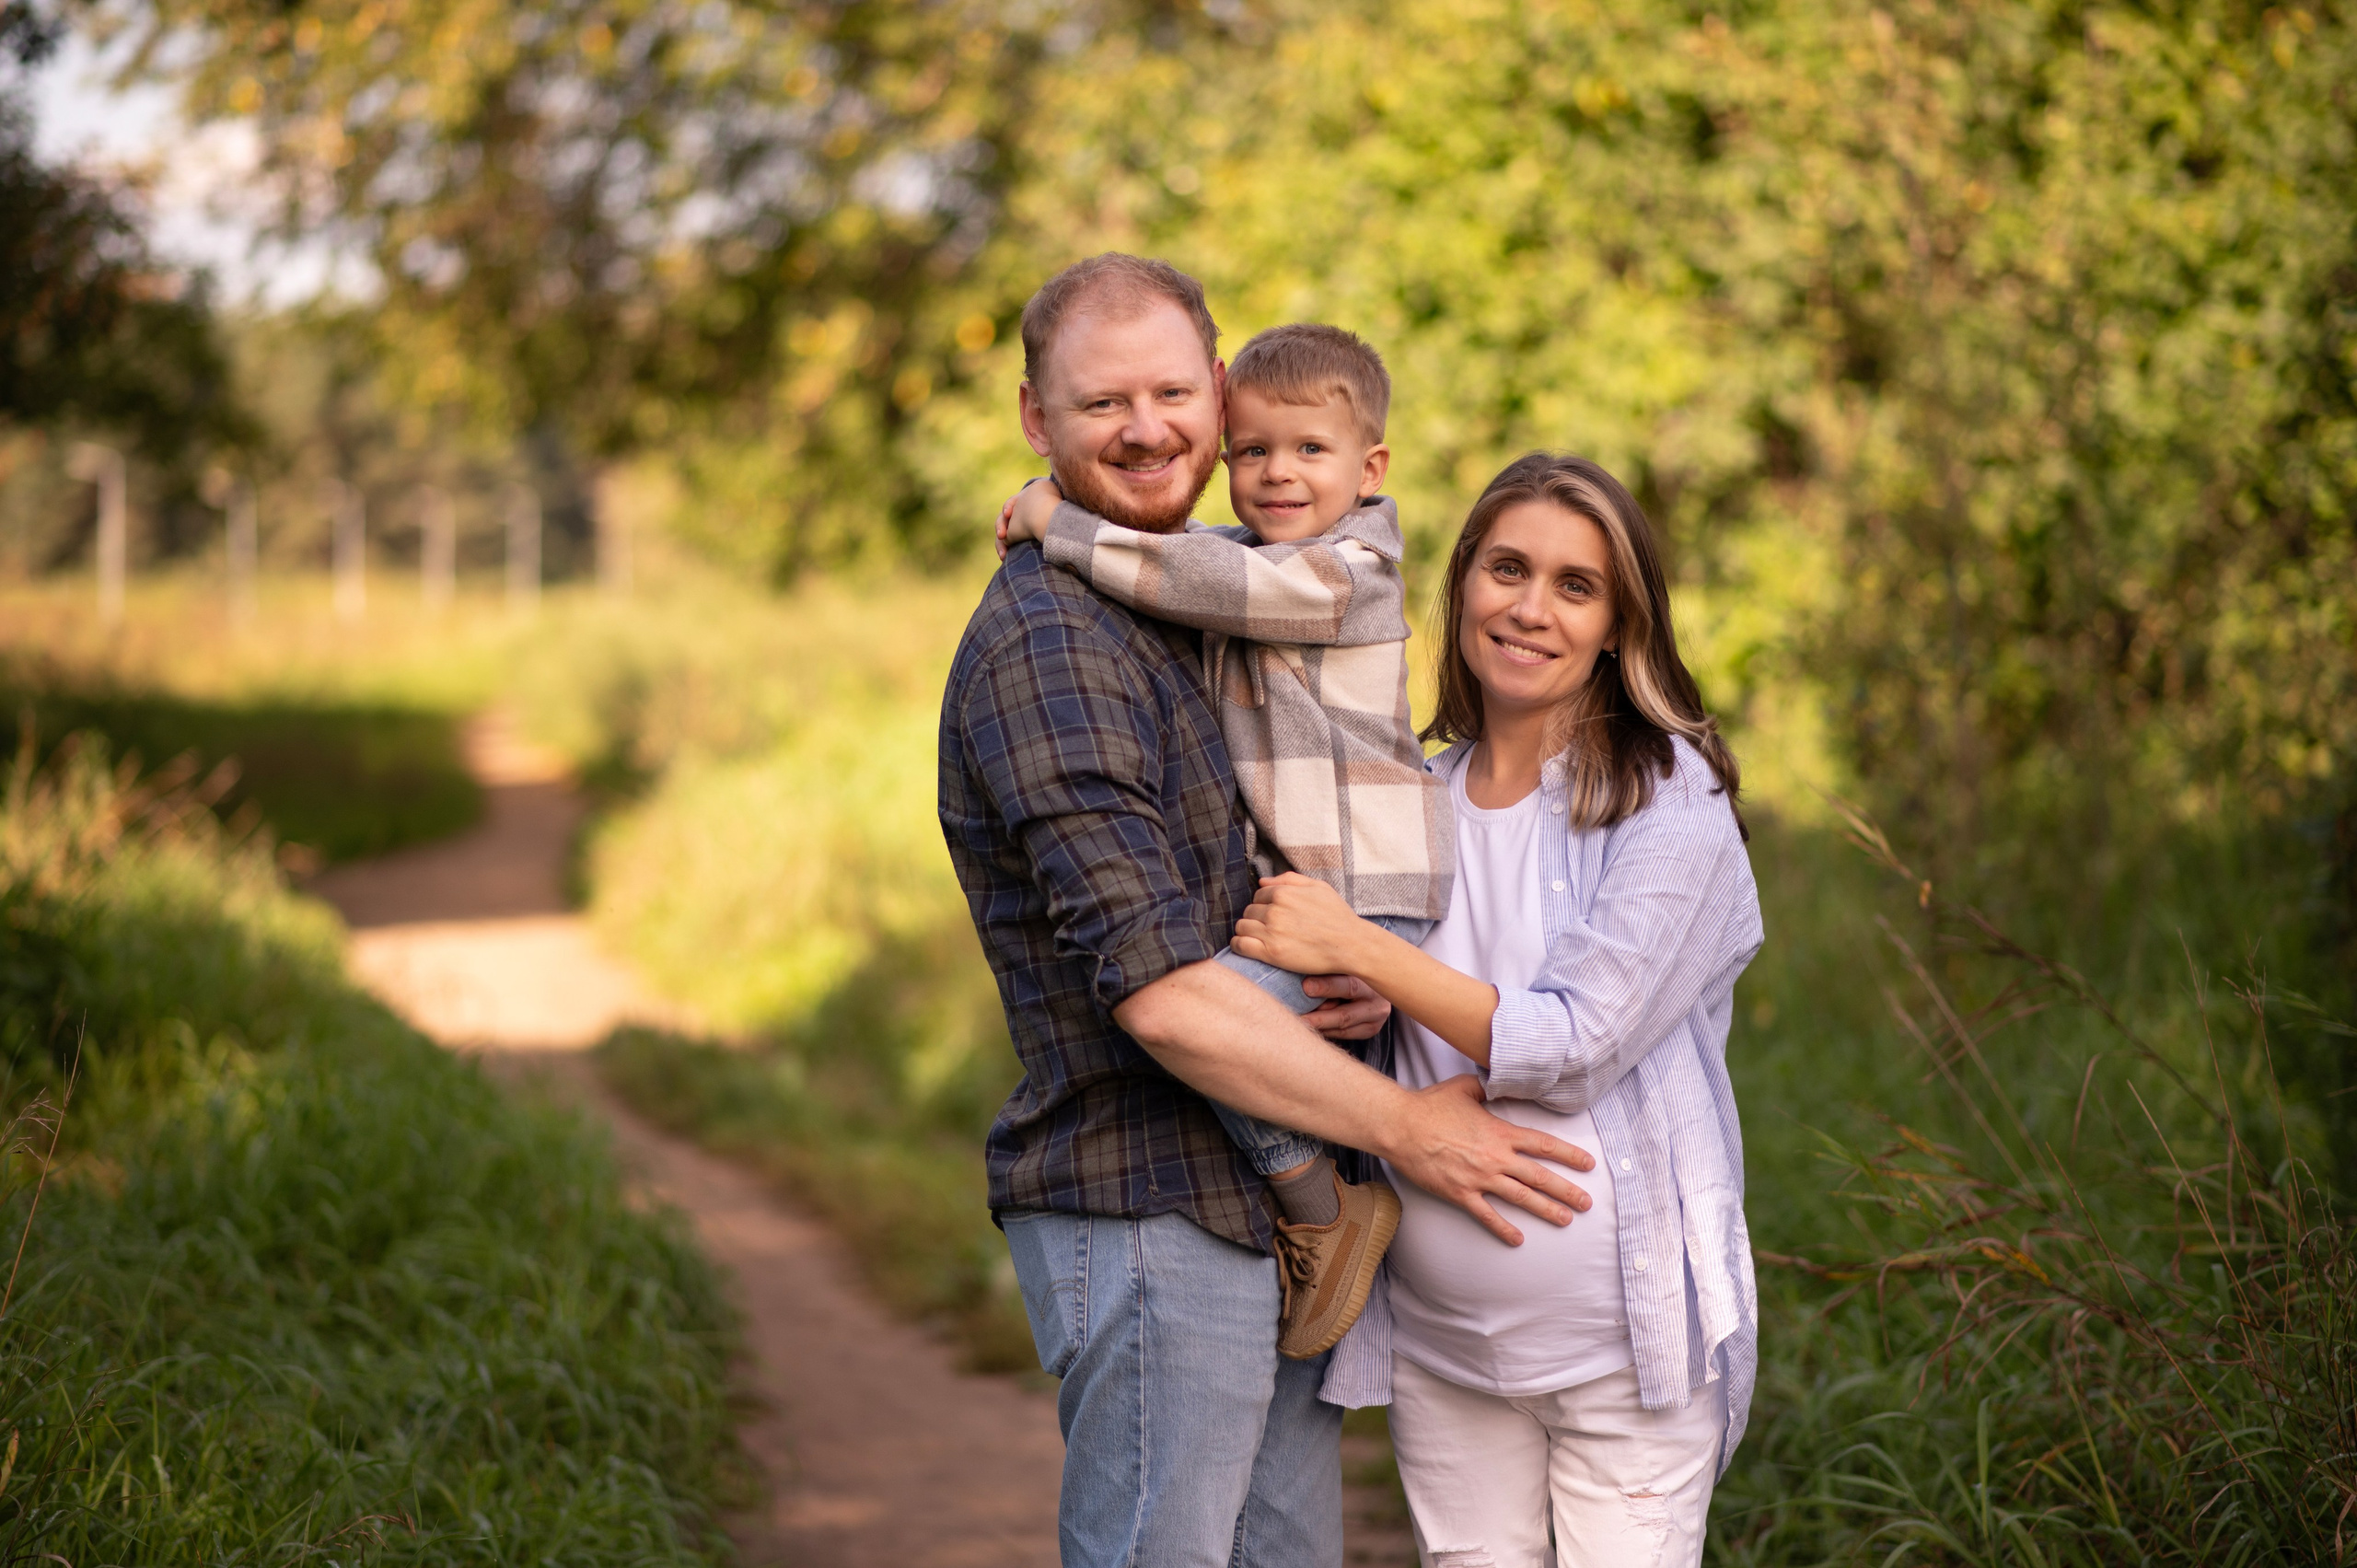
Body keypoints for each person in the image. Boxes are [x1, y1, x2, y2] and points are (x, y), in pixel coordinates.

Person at [938, 255, 1600, 1568]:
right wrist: (1413, 1126)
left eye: (1174, 390)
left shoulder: (1196, 582)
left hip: (1259, 1203)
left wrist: (1359, 966)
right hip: (1148, 1208)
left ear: (1218, 387)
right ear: (1035, 419)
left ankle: (1321, 1200)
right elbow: (1165, 995)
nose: (1147, 427)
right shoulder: (1054, 644)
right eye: (1101, 402)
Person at [1233, 452, 1764, 1568]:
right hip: (1444, 1349)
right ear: (1462, 582)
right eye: (1507, 568)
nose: (1530, 608)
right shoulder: (1407, 798)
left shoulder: (1672, 799)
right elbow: (1387, 1022)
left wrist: (1358, 944)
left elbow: (1571, 1045)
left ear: (1621, 623)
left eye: (1575, 586)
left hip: (1624, 1356)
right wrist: (1351, 998)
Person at [993, 321, 1452, 1359]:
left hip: (1368, 882)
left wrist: (1052, 517)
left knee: (1209, 1028)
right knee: (1217, 1024)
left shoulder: (1347, 571)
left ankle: (1322, 1207)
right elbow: (1192, 564)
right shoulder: (1247, 553)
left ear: (1370, 467)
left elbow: (1194, 583)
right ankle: (1324, 1200)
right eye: (1251, 452)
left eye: (1308, 450)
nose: (1276, 473)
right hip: (1315, 888)